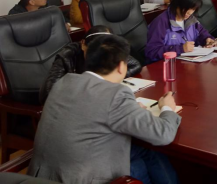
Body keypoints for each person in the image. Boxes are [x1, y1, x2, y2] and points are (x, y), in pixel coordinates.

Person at [28, 34, 181, 184]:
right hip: (83, 178)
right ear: (121, 66)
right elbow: (163, 134)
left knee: (143, 152)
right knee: (149, 153)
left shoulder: (64, 81)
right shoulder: (116, 95)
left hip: (41, 176)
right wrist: (167, 107)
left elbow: (92, 110)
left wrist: (131, 109)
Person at [39, 25, 142, 104]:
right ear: (83, 44)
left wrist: (110, 78)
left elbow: (135, 64)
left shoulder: (109, 50)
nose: (98, 56)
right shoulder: (67, 55)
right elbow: (48, 93)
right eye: (92, 50)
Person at [145, 0, 217, 62]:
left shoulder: (191, 19)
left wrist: (207, 39)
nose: (189, 12)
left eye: (193, 9)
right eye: (186, 8)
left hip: (189, 64)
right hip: (168, 66)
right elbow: (151, 52)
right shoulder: (161, 22)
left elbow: (202, 33)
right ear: (177, 3)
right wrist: (180, 49)